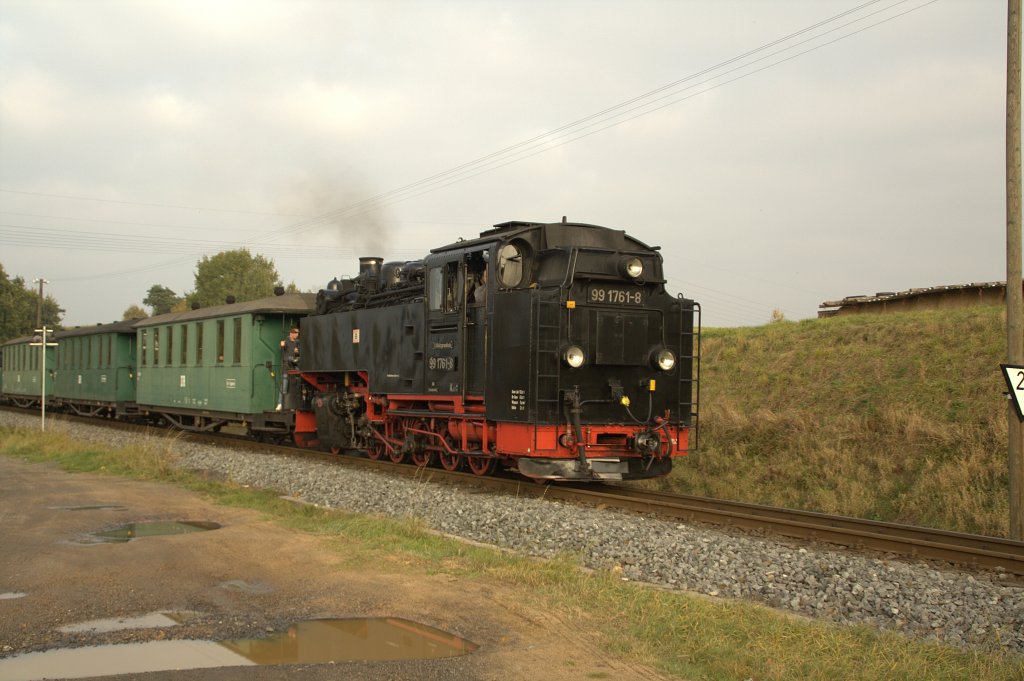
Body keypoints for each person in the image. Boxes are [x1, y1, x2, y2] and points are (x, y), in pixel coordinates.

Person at [277, 326, 299, 410]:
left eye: (297, 333)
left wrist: (297, 351)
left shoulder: (297, 342)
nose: (296, 334)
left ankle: (292, 405)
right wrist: (282, 345)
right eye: (295, 333)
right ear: (291, 333)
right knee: (284, 385)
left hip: (295, 366)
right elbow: (282, 349)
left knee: (294, 387)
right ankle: (280, 403)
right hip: (286, 367)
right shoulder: (286, 341)